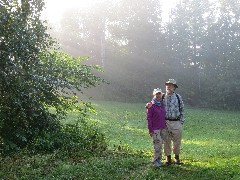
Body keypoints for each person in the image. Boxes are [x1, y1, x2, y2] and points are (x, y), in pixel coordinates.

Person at [146, 79, 184, 165]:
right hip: (165, 123)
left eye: (171, 85)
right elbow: (153, 101)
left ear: (174, 87)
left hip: (176, 122)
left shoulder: (178, 97)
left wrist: (181, 122)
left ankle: (177, 157)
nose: (168, 86)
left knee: (177, 141)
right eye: (167, 85)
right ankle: (168, 159)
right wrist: (147, 105)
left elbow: (182, 109)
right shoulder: (162, 96)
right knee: (166, 141)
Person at [146, 88, 167, 167]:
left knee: (160, 143)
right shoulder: (151, 105)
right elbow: (149, 118)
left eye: (159, 94)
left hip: (162, 127)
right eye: (156, 94)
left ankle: (159, 159)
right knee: (157, 144)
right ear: (154, 95)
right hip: (155, 128)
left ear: (161, 95)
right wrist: (150, 130)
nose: (158, 95)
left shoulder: (161, 104)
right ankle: (155, 160)